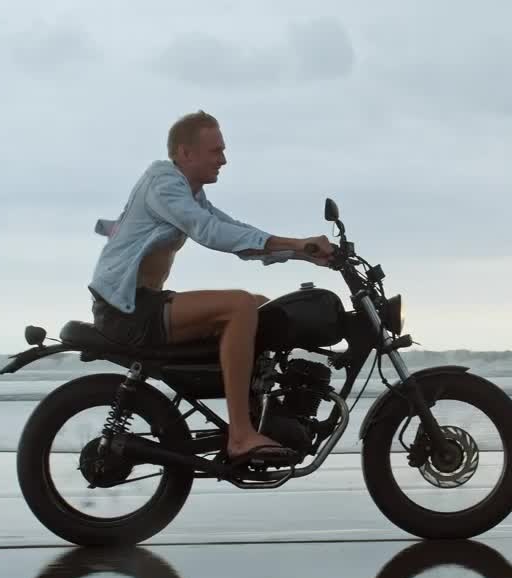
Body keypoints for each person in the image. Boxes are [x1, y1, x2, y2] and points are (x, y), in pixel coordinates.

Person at [87, 110, 335, 465]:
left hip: (144, 304)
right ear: (186, 153)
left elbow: (233, 230)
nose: (224, 159)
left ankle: (264, 409)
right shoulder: (164, 185)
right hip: (128, 310)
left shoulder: (187, 192)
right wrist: (297, 244)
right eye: (216, 151)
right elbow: (210, 232)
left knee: (262, 306)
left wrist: (304, 254)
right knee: (240, 305)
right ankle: (240, 435)